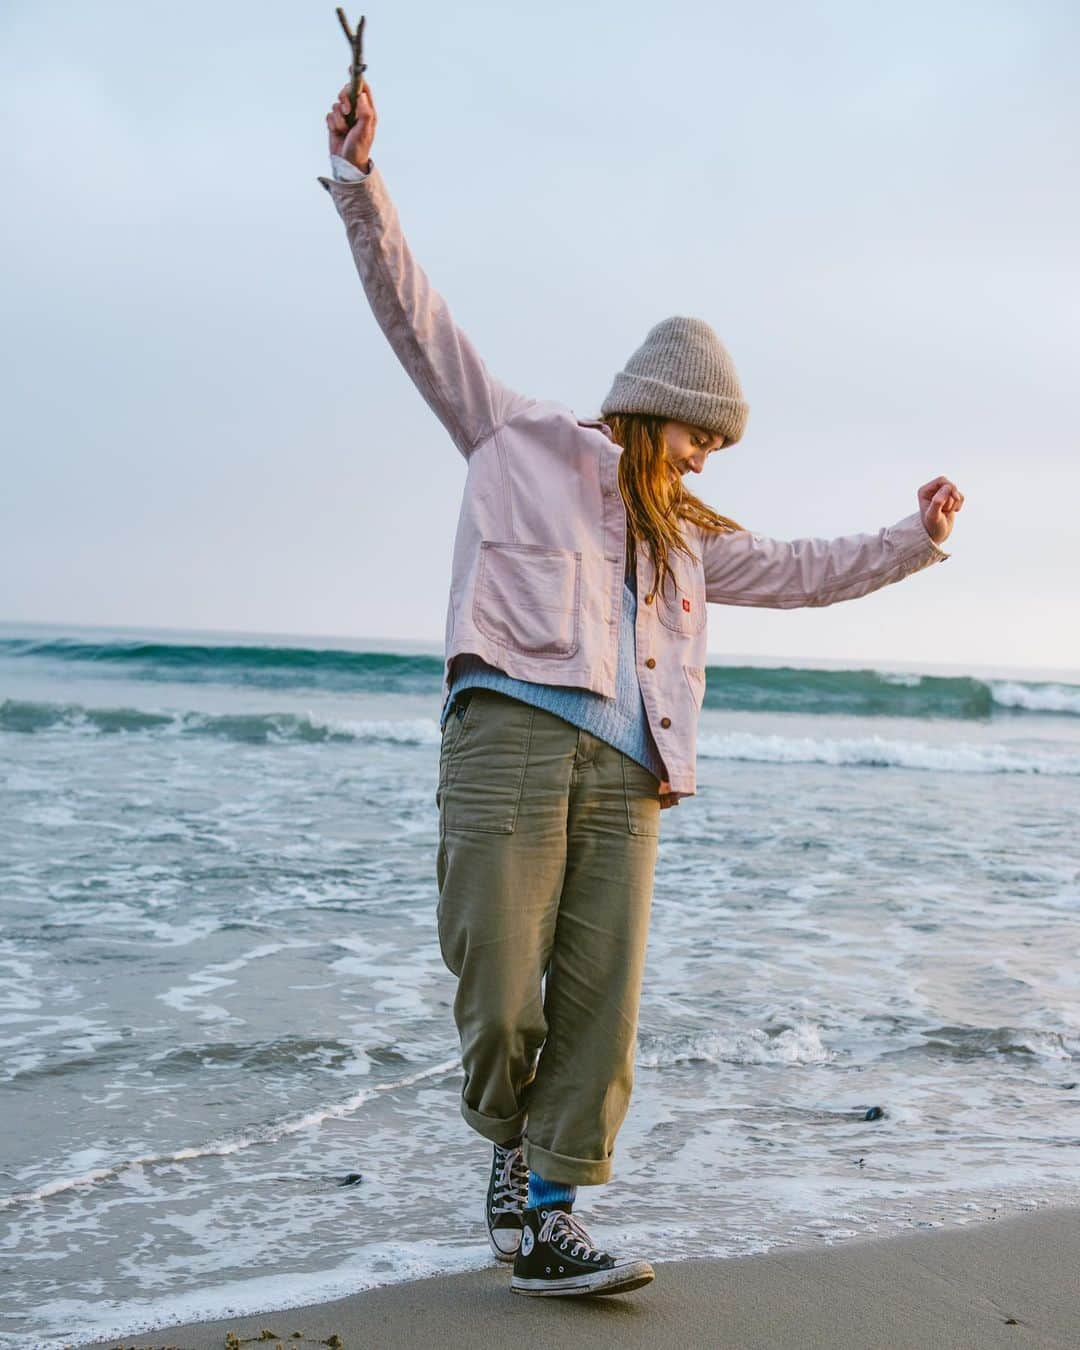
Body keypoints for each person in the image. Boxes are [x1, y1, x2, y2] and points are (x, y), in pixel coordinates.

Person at [320, 79, 964, 1299]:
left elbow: (806, 571)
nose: (708, 456)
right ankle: (511, 1148)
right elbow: (415, 315)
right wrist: (363, 184)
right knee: (501, 993)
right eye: (700, 433)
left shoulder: (689, 537)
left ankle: (551, 1212)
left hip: (629, 776)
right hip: (509, 734)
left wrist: (914, 537)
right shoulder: (519, 439)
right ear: (654, 407)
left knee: (602, 1008)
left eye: (718, 444)